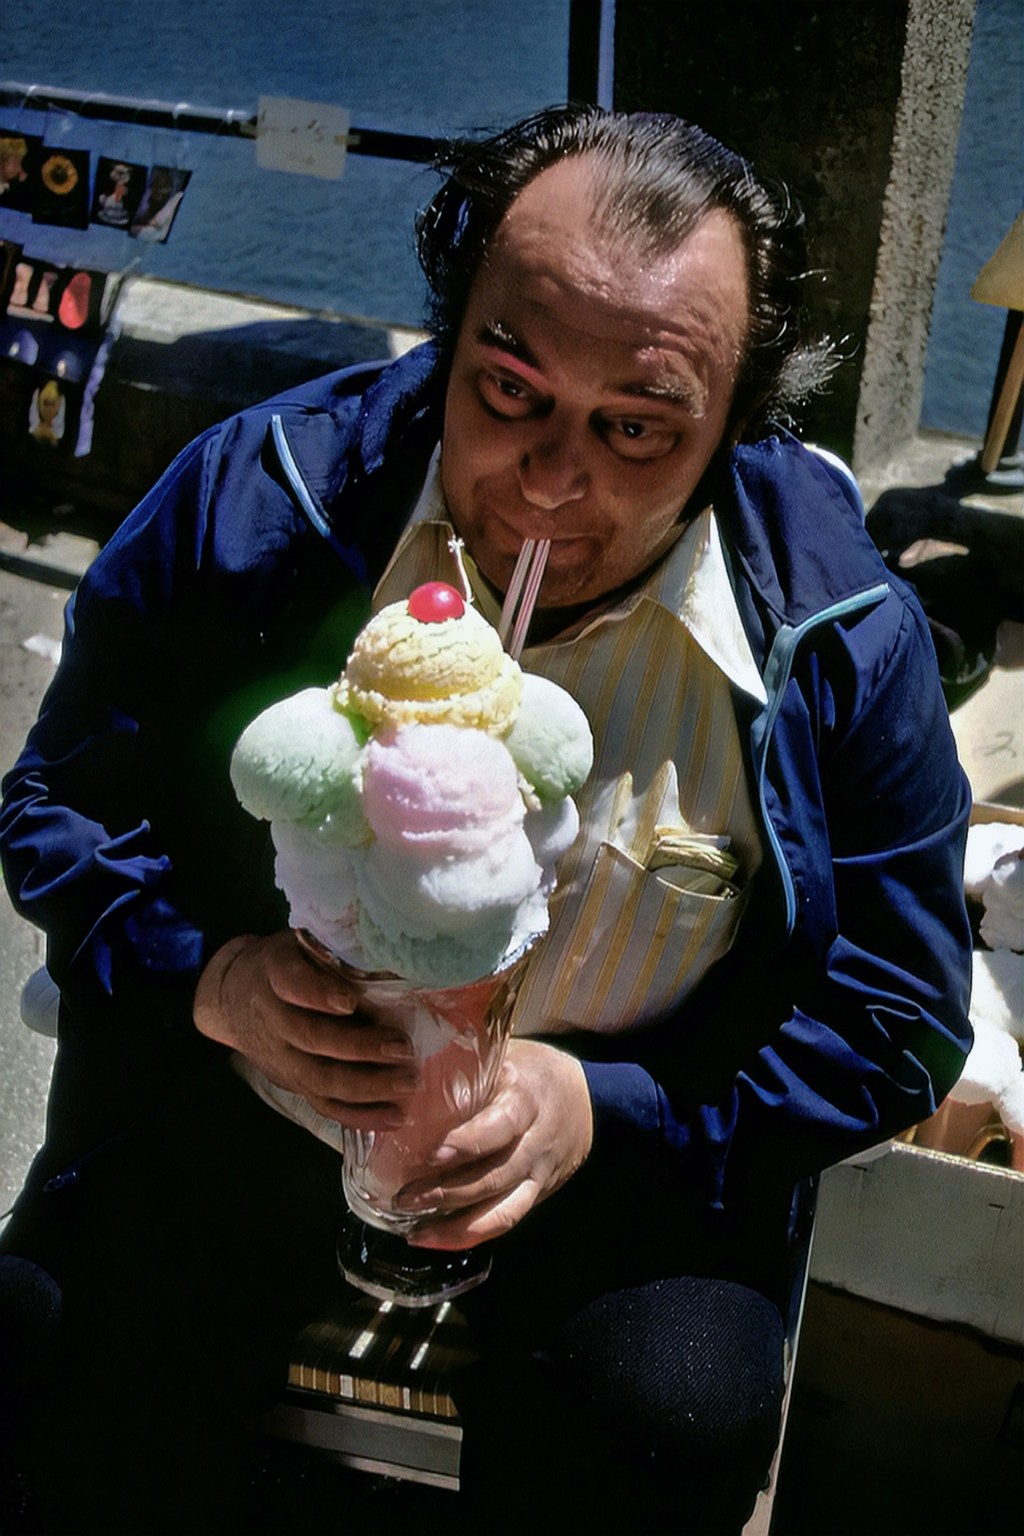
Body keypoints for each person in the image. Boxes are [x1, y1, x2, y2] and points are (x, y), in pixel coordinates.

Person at [0, 105, 972, 1534]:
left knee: (662, 1418)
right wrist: (209, 979)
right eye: (506, 392)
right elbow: (57, 805)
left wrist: (603, 1109)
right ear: (448, 340)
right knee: (45, 1351)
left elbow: (902, 1010)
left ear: (734, 428)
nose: (555, 481)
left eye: (639, 428)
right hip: (248, 1100)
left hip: (636, 1150)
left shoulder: (839, 637)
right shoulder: (260, 502)